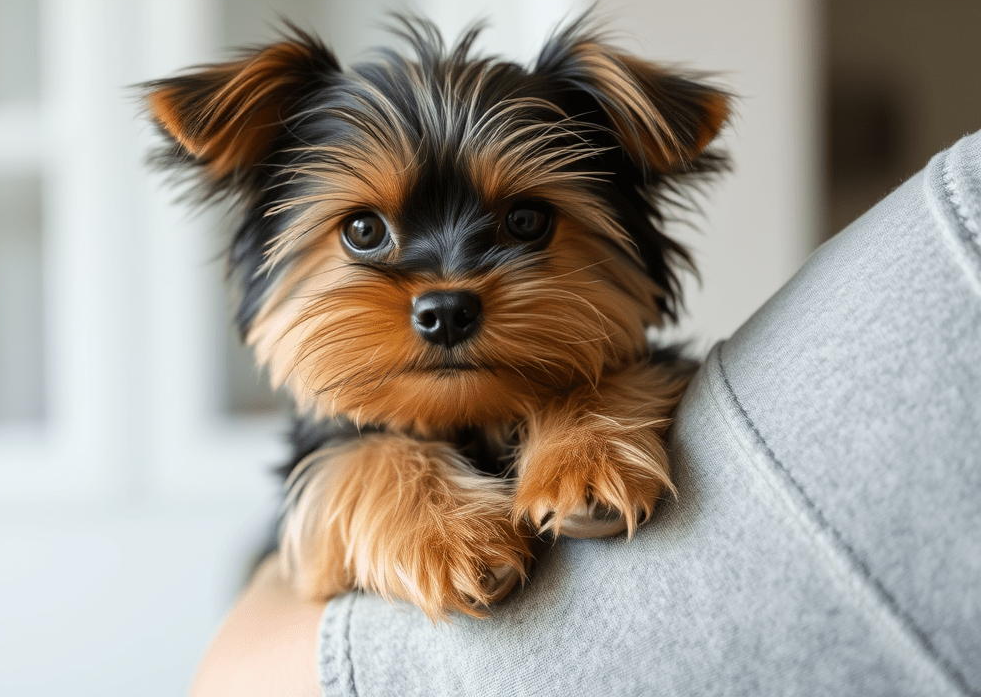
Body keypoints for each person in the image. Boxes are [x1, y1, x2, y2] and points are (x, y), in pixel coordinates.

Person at [191, 131, 981, 697]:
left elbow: (658, 376)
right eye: (365, 232)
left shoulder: (633, 394)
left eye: (526, 224)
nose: (445, 291)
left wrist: (596, 416)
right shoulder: (336, 471)